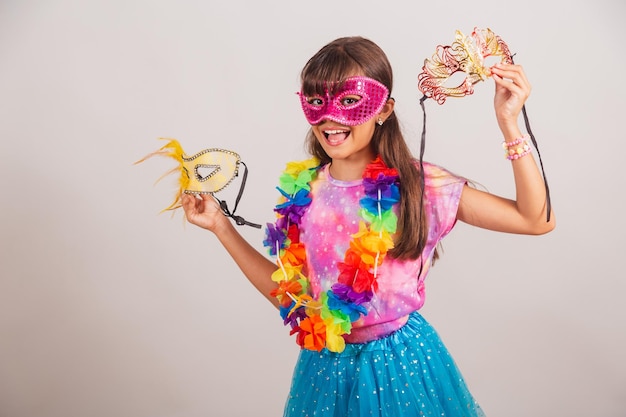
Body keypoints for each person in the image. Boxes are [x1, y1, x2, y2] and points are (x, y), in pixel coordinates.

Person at [181, 36, 555, 417]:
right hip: (325, 370)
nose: (331, 118)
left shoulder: (419, 186)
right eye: (315, 101)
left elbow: (535, 219)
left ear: (383, 109)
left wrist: (509, 124)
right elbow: (290, 297)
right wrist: (220, 227)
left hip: (400, 370)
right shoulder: (304, 192)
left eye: (348, 101)